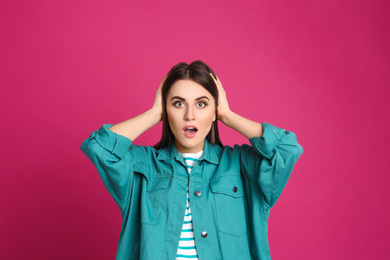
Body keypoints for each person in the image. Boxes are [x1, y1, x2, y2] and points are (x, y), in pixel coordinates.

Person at [81, 60, 303, 260]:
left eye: (201, 104)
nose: (189, 115)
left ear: (214, 110)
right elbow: (99, 148)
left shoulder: (242, 165)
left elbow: (286, 148)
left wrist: (226, 114)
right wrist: (155, 112)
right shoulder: (141, 167)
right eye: (178, 104)